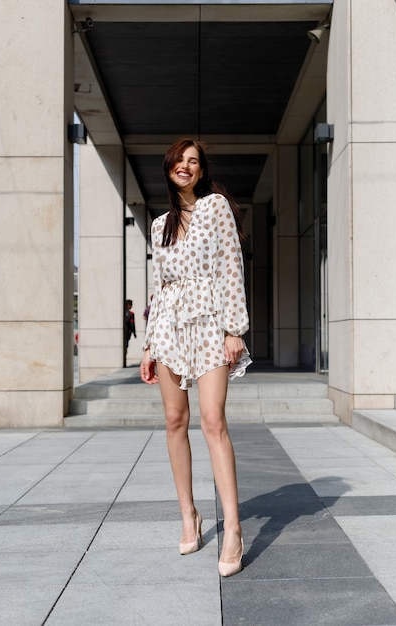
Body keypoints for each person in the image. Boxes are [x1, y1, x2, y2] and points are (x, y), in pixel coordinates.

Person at [140, 138, 252, 577]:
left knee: (212, 419)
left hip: (209, 322)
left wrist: (233, 329)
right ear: (169, 168)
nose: (185, 167)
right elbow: (159, 287)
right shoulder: (159, 225)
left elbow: (230, 267)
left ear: (201, 172)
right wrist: (149, 344)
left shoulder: (215, 208)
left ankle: (235, 530)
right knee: (173, 420)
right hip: (167, 325)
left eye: (193, 162)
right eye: (179, 161)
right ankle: (189, 515)